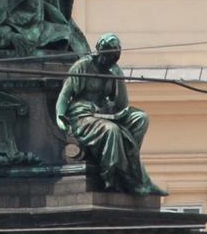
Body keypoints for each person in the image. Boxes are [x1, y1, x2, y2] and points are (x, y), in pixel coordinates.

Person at [55, 33, 166, 195]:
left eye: (114, 56)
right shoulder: (83, 66)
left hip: (106, 112)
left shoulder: (113, 70)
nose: (110, 59)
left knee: (141, 118)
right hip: (82, 115)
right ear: (99, 51)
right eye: (107, 55)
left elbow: (122, 105)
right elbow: (65, 95)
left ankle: (131, 165)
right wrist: (60, 116)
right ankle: (113, 178)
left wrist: (118, 78)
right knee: (111, 130)